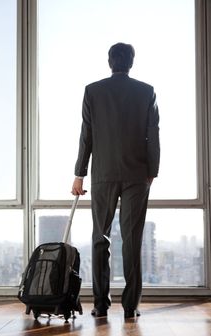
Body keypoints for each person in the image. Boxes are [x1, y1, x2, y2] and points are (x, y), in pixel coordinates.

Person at [71, 43, 160, 319]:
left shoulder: (93, 91)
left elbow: (87, 136)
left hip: (103, 175)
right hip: (137, 175)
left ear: (109, 62)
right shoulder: (146, 91)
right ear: (131, 62)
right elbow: (153, 134)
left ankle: (100, 304)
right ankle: (131, 307)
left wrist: (79, 174)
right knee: (132, 241)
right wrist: (152, 171)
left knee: (101, 238)